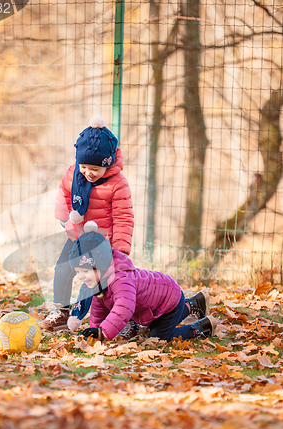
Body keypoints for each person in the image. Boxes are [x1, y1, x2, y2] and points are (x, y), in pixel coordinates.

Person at [40, 116, 135, 334]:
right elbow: (63, 196)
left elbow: (124, 217)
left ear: (108, 163)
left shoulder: (118, 183)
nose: (87, 173)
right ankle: (61, 312)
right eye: (84, 166)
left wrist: (120, 248)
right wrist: (66, 221)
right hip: (78, 237)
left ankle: (119, 319)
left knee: (104, 285)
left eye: (94, 169)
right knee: (63, 268)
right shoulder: (74, 175)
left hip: (105, 244)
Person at [67, 225, 217, 341]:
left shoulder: (120, 280)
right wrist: (95, 330)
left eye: (85, 271)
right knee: (154, 327)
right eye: (78, 271)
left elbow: (124, 308)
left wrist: (103, 332)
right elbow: (99, 310)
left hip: (169, 299)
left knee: (158, 338)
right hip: (159, 302)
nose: (80, 277)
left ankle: (201, 328)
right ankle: (196, 303)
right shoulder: (98, 283)